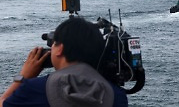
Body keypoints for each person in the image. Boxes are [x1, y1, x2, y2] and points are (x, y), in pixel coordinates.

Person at [0, 17, 128, 107]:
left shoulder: (34, 89)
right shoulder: (116, 96)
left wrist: (23, 77)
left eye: (54, 44)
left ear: (60, 49)